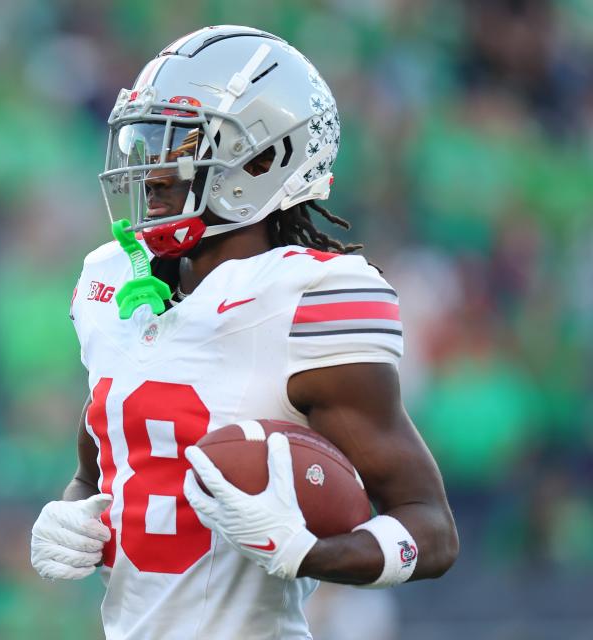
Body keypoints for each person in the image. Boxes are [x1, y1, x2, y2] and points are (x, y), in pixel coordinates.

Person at [30, 25, 458, 639]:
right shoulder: (110, 280)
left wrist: (306, 553)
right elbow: (105, 457)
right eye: (146, 140)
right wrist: (72, 511)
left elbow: (431, 529)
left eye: (177, 144)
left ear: (263, 158)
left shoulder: (307, 297)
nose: (150, 169)